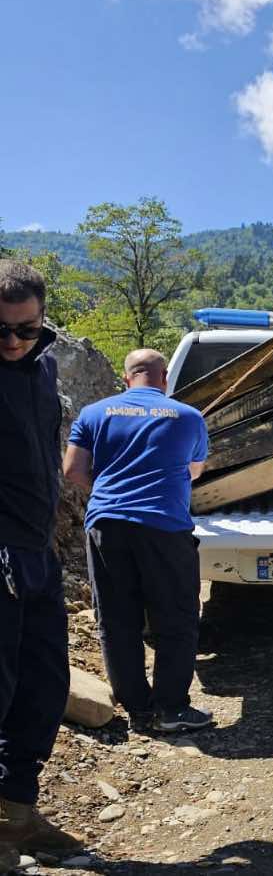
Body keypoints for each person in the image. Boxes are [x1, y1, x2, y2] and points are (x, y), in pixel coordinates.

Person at [62, 349, 212, 733]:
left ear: (126, 379)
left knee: (116, 620)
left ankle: (138, 711)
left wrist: (112, 494)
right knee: (175, 618)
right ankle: (171, 710)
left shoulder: (94, 414)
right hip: (164, 527)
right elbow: (194, 471)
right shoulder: (188, 416)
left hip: (107, 525)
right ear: (164, 379)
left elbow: (73, 469)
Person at [0, 260, 84, 866]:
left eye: (26, 330)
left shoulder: (45, 368)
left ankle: (16, 814)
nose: (12, 341)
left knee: (44, 684)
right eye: (0, 330)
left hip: (36, 550)